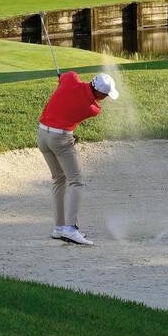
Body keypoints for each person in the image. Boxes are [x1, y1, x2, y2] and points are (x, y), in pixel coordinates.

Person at [36, 70, 118, 245]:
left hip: (42, 135)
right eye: (105, 95)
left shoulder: (71, 78)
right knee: (76, 181)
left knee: (59, 179)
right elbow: (75, 108)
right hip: (60, 139)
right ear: (99, 93)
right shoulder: (93, 109)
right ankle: (71, 228)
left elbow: (65, 79)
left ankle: (59, 228)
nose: (104, 99)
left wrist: (62, 82)